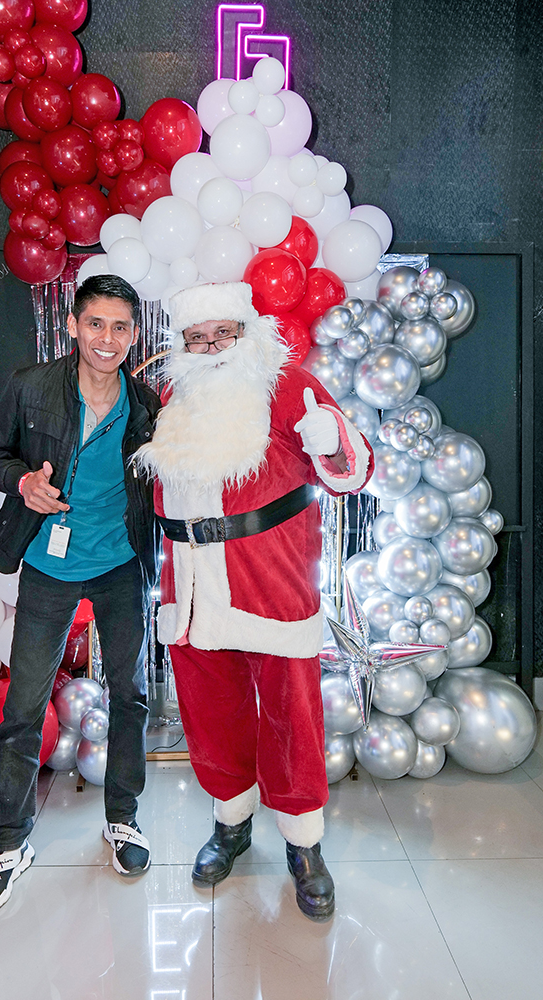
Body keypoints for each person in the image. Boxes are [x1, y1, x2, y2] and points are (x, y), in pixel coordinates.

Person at [136, 281, 373, 921]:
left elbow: (353, 473)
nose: (211, 347)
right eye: (197, 338)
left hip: (271, 583)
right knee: (212, 715)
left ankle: (304, 843)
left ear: (247, 333)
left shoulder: (290, 386)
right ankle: (231, 823)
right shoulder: (170, 398)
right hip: (191, 590)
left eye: (224, 333)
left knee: (292, 717)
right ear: (182, 345)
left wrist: (333, 440)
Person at [0, 275, 161, 914]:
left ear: (134, 335)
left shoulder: (145, 403)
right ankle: (8, 844)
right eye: (96, 323)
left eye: (121, 326)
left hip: (122, 564)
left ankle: (123, 819)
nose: (108, 338)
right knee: (24, 704)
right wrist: (23, 482)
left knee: (129, 695)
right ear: (74, 326)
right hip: (49, 567)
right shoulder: (31, 386)